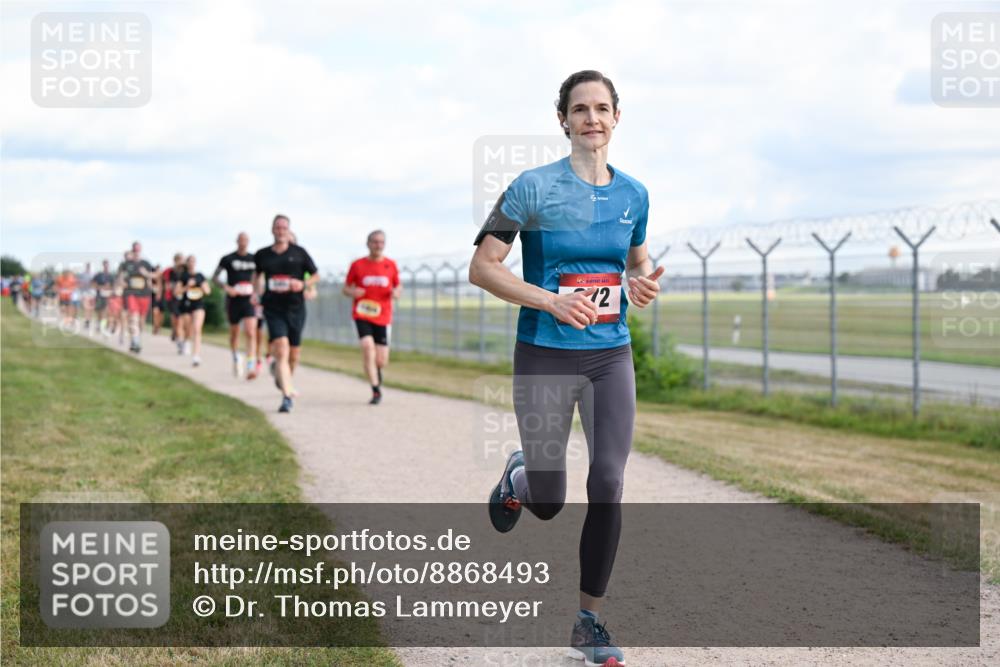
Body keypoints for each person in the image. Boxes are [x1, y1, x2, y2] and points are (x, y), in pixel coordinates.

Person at [469, 70, 663, 667]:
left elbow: (636, 259)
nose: (592, 118)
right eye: (580, 109)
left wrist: (639, 284)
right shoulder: (531, 188)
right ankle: (518, 478)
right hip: (545, 355)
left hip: (610, 355)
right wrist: (550, 299)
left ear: (617, 117)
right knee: (549, 500)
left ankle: (589, 622)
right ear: (564, 120)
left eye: (603, 108)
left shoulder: (635, 194)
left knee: (607, 481)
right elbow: (484, 267)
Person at [253, 214, 319, 413]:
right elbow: (257, 276)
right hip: (273, 308)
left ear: (288, 230)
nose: (281, 231)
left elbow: (315, 275)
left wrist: (303, 284)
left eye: (284, 228)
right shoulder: (263, 254)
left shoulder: (299, 253)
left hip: (296, 309)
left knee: (294, 355)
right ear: (272, 230)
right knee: (281, 348)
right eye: (277, 227)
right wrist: (257, 294)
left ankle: (283, 378)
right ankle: (287, 396)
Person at [343, 230, 401, 404]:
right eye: (375, 242)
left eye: (381, 242)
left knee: (381, 360)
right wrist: (353, 291)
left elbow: (398, 286)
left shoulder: (390, 264)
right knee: (367, 346)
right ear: (368, 243)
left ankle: (376, 370)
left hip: (383, 315)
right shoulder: (358, 265)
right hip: (362, 313)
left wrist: (396, 292)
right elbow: (345, 288)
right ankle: (376, 389)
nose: (378, 245)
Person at [213, 233, 259, 379]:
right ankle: (235, 357)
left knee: (251, 332)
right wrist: (227, 288)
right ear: (237, 241)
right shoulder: (228, 259)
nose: (243, 243)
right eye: (241, 240)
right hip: (233, 300)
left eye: (246, 240)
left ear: (249, 242)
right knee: (234, 334)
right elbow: (215, 277)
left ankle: (250, 365)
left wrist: (256, 292)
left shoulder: (254, 259)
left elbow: (259, 277)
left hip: (248, 300)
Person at [173, 255, 210, 366]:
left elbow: (208, 291)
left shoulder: (200, 276)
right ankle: (186, 341)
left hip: (198, 305)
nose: (192, 263)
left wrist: (203, 287)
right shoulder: (183, 276)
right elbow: (176, 292)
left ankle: (196, 356)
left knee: (197, 329)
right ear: (187, 263)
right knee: (188, 329)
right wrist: (187, 287)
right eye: (190, 261)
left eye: (194, 261)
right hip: (186, 305)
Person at [118, 242, 155, 353]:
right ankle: (135, 341)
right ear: (132, 251)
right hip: (131, 293)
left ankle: (136, 339)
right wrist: (122, 282)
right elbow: (120, 277)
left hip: (144, 295)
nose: (136, 252)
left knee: (141, 321)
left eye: (138, 250)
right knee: (133, 317)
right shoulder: (125, 264)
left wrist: (146, 274)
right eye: (134, 250)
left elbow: (155, 275)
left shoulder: (146, 263)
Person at [92, 260, 116, 336]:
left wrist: (110, 289)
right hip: (100, 295)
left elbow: (114, 286)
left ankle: (105, 326)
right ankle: (99, 325)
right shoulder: (99, 275)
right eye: (105, 265)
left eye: (107, 265)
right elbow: (93, 284)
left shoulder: (111, 275)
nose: (106, 266)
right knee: (100, 312)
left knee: (107, 312)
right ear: (103, 265)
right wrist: (100, 287)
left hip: (108, 296)